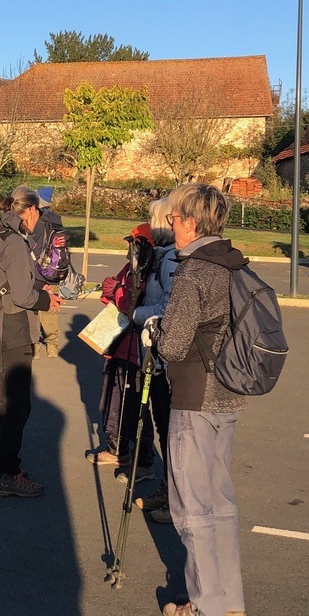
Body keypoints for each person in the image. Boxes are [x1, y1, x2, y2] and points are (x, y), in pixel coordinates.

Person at [143, 182, 247, 616]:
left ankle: (206, 608)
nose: (171, 226)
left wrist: (154, 330)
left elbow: (174, 343)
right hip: (229, 390)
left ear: (189, 222)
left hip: (194, 395)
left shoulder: (194, 272)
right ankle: (229, 597)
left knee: (192, 506)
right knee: (220, 500)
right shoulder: (233, 262)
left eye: (174, 218)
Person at [0, 188, 61, 498]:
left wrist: (36, 287)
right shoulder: (14, 241)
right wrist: (47, 300)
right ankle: (9, 473)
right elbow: (24, 295)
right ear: (30, 211)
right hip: (13, 325)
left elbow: (9, 281)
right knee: (17, 405)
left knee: (4, 400)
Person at [85, 223, 155, 482]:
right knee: (114, 401)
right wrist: (116, 292)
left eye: (134, 243)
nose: (129, 247)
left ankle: (144, 461)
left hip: (138, 349)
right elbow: (110, 293)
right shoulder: (131, 269)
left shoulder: (150, 271)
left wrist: (117, 291)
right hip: (119, 344)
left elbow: (130, 303)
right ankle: (117, 449)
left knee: (136, 406)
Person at [130, 196, 179, 521]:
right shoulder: (162, 255)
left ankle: (175, 497)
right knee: (164, 425)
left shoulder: (171, 258)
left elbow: (168, 308)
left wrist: (136, 313)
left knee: (170, 428)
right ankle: (168, 488)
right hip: (155, 351)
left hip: (164, 354)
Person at [20, 186, 71, 358]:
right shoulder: (55, 220)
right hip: (53, 272)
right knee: (50, 310)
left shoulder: (34, 221)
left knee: (32, 310)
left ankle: (34, 345)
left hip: (35, 272)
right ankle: (52, 344)